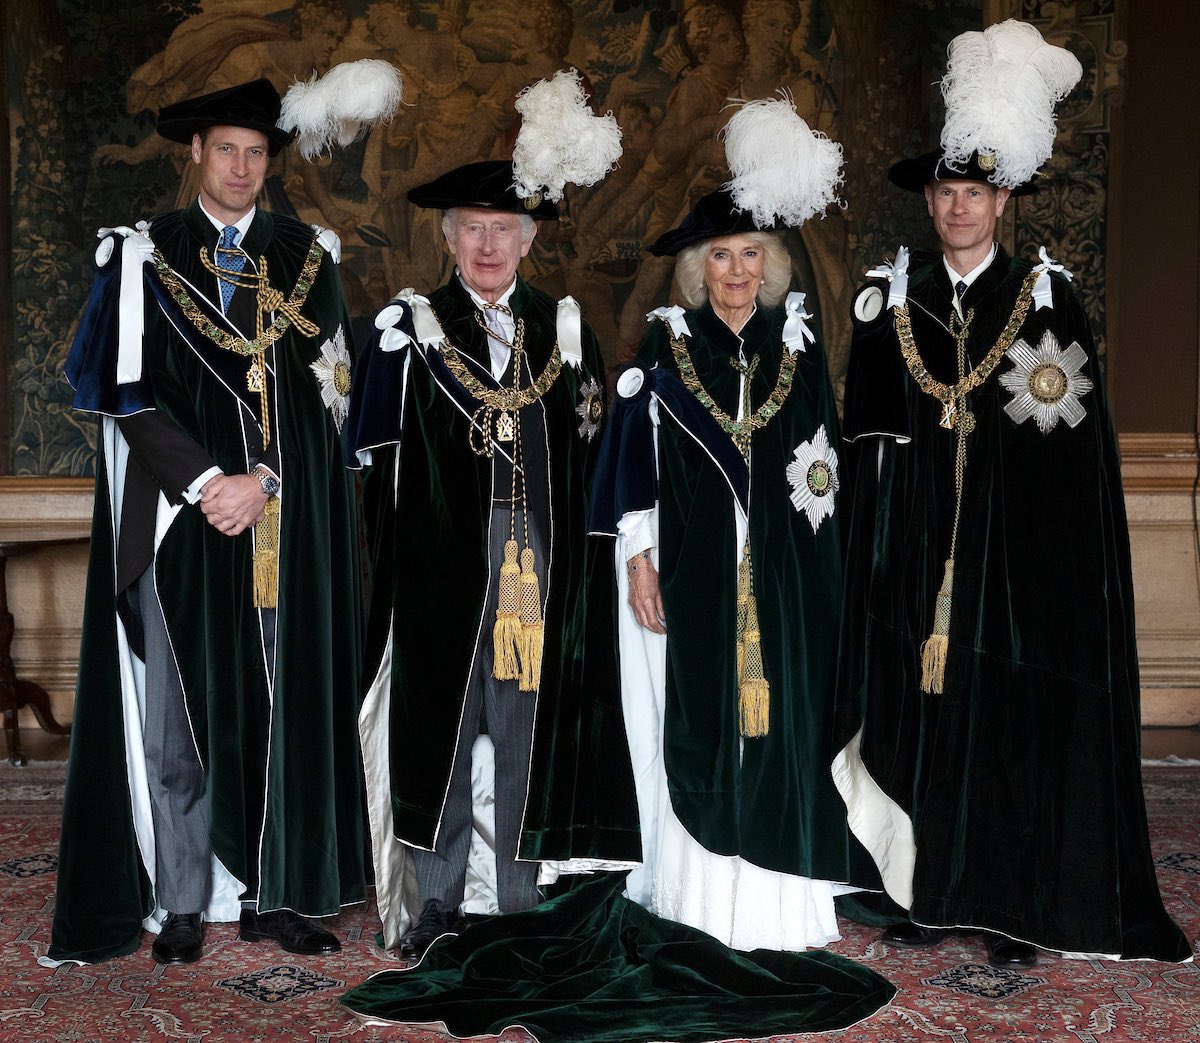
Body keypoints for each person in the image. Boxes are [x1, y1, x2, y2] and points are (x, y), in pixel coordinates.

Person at [832, 141, 1194, 966]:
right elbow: (871, 446)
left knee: (1001, 726)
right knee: (924, 718)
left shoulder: (1044, 299)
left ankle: (1003, 901)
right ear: (928, 204)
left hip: (1011, 560)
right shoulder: (895, 300)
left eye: (976, 193)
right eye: (946, 193)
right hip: (920, 555)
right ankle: (928, 890)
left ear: (1001, 204)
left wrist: (1049, 565)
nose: (960, 207)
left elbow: (1069, 453)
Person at [50, 78, 367, 966]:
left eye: (256, 152)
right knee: (177, 717)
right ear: (194, 153)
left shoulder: (309, 258)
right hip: (177, 522)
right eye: (225, 149)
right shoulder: (144, 254)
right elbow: (126, 396)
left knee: (278, 706)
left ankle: (276, 891)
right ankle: (183, 898)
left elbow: (330, 403)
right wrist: (205, 483)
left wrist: (262, 480)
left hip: (276, 522)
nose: (240, 168)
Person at [346, 158, 641, 962]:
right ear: (447, 239)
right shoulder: (410, 329)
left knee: (525, 728)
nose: (487, 244)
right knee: (438, 725)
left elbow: (588, 456)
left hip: (535, 560)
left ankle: (515, 901)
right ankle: (436, 902)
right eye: (471, 229)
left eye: (501, 230)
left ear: (527, 239)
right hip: (440, 558)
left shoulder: (561, 327)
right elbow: (371, 461)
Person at [591, 173, 858, 950]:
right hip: (688, 568)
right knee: (692, 712)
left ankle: (778, 901)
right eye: (720, 256)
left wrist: (808, 573)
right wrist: (640, 562)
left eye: (750, 254)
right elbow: (631, 461)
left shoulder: (797, 346)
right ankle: (698, 898)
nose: (737, 271)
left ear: (769, 263)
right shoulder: (667, 343)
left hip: (781, 577)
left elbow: (824, 471)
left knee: (781, 725)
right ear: (697, 269)